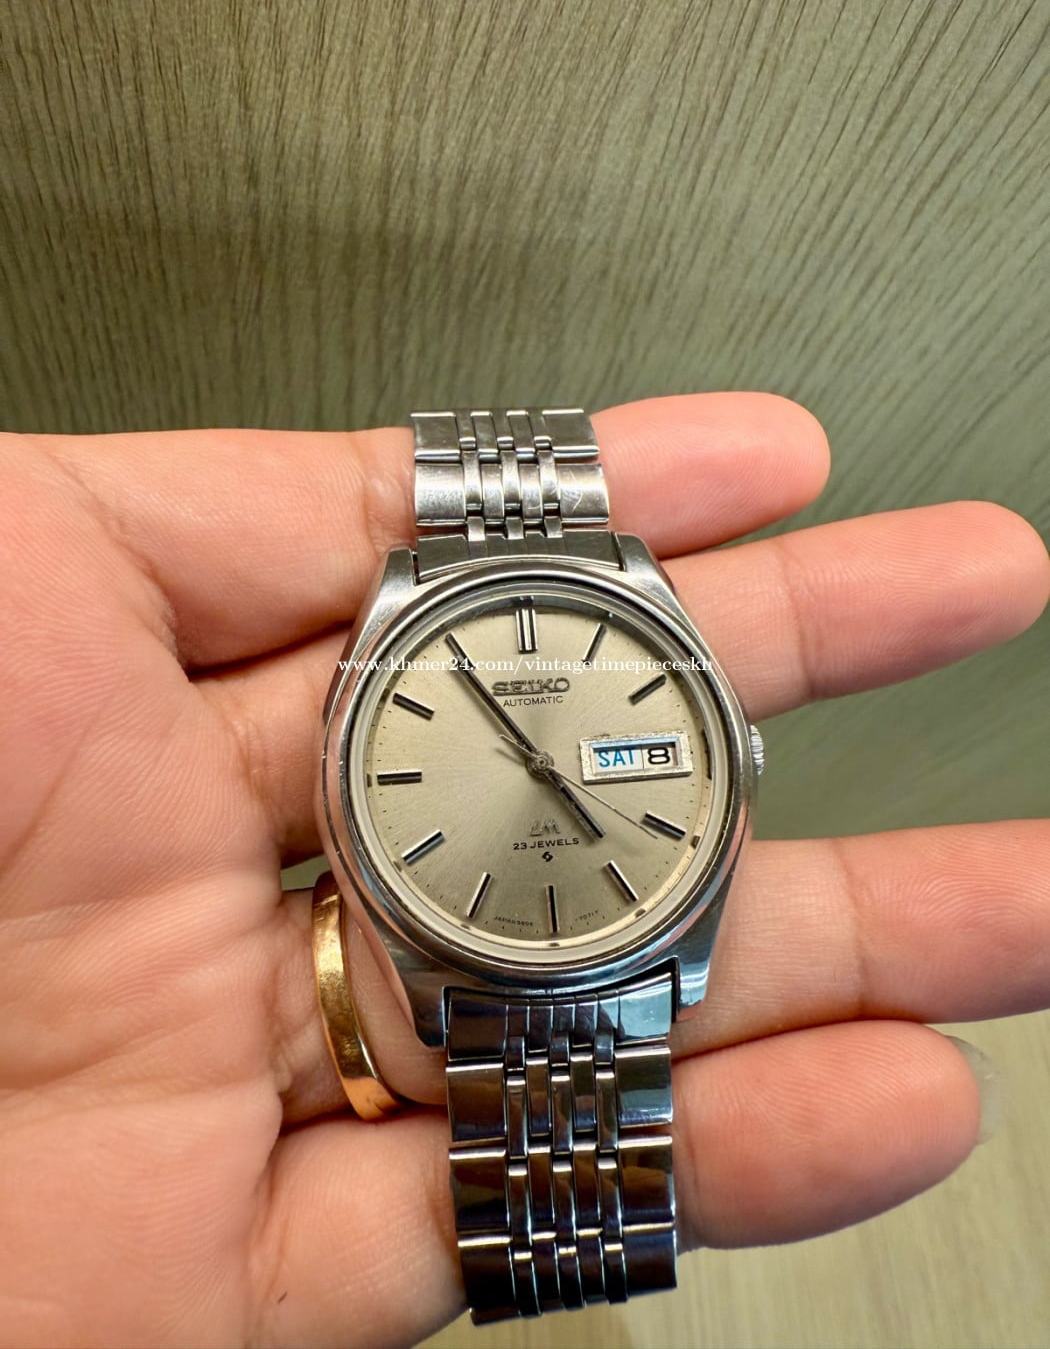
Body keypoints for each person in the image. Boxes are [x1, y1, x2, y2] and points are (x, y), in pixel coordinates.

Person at [0, 393, 1047, 1349]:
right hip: (460, 947)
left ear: (738, 755)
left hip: (632, 936)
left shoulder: (617, 605)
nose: (545, 768)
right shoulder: (414, 610)